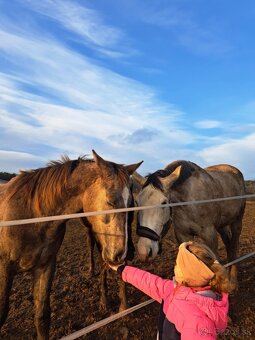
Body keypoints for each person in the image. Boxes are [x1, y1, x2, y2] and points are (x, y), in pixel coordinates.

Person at [108, 241, 236, 340]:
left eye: (177, 265)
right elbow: (150, 282)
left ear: (189, 275)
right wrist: (122, 269)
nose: (174, 267)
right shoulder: (176, 290)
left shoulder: (198, 322)